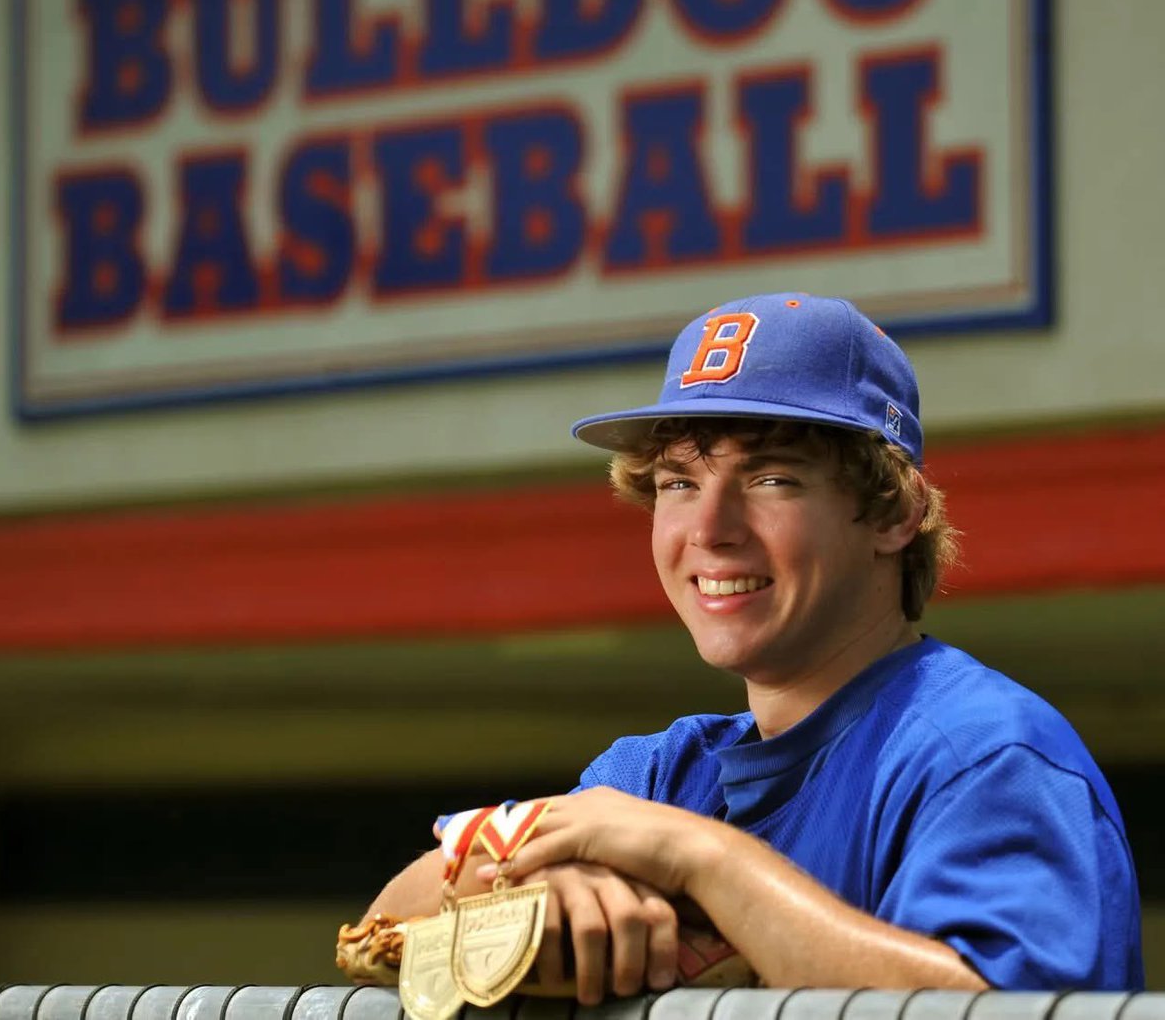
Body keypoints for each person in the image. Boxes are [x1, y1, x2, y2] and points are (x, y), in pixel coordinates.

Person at [360, 291, 1143, 997]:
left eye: (771, 479)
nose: (710, 529)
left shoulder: (982, 752)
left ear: (892, 514)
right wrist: (512, 883)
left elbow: (990, 1010)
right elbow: (383, 921)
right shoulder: (663, 774)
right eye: (679, 483)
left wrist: (706, 859)